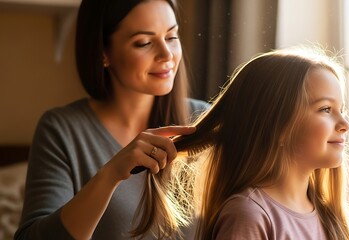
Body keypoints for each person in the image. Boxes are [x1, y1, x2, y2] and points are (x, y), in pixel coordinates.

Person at [14, 0, 208, 239]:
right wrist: (111, 173)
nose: (166, 55)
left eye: (171, 37)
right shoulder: (61, 130)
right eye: (144, 42)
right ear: (104, 53)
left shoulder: (204, 122)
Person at [134, 46, 349, 239]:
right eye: (326, 109)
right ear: (277, 125)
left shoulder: (329, 216)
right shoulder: (249, 215)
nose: (344, 123)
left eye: (342, 110)